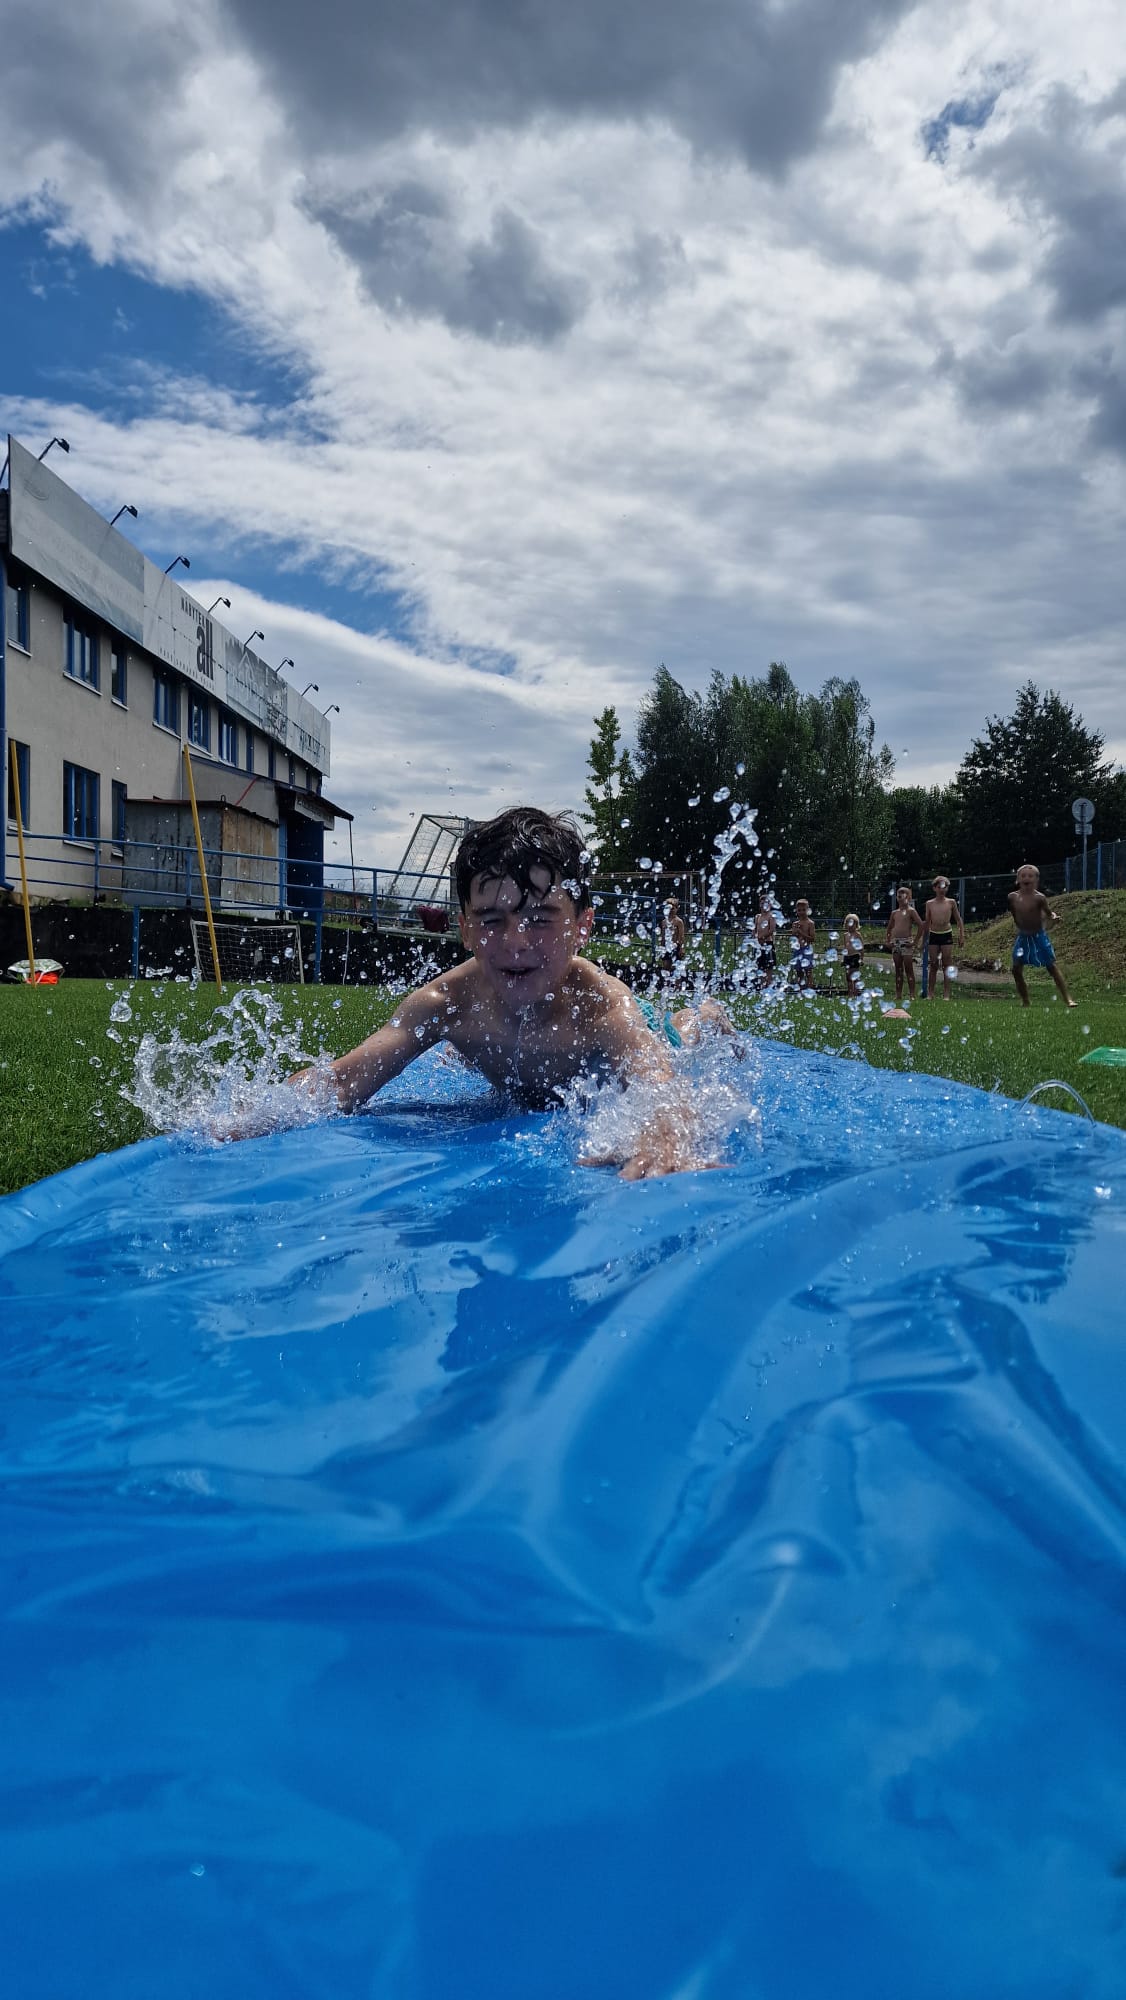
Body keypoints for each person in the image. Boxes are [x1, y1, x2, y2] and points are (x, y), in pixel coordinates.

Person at [282, 807, 738, 1179]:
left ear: (582, 927)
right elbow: (341, 1081)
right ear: (464, 929)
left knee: (679, 1041)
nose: (515, 943)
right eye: (490, 920)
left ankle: (699, 1016)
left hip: (649, 1028)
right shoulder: (445, 1004)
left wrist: (664, 1137)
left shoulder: (604, 1009)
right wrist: (265, 1110)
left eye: (540, 919)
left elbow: (663, 1089)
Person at [1008, 863, 1075, 1008]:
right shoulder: (1012, 897)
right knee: (1016, 969)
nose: (1026, 878)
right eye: (1023, 875)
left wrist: (1054, 918)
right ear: (1017, 879)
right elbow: (1015, 915)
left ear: (1036, 880)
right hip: (1023, 937)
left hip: (1039, 937)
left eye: (1030, 876)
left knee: (1051, 966)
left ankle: (1068, 998)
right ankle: (1025, 1001)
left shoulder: (1040, 898)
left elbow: (1048, 913)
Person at [923, 876, 964, 1000]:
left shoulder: (951, 902)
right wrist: (924, 939)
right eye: (939, 887)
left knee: (947, 964)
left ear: (947, 888)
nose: (942, 889)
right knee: (933, 964)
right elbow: (927, 921)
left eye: (944, 887)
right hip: (934, 934)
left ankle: (946, 994)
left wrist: (961, 935)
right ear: (935, 888)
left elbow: (958, 920)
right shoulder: (929, 903)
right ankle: (930, 993)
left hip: (946, 934)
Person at [885, 885, 924, 1004]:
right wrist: (888, 941)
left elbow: (921, 925)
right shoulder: (894, 913)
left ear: (908, 897)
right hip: (896, 942)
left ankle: (912, 994)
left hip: (906, 942)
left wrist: (915, 942)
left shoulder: (911, 911)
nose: (900, 895)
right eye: (898, 893)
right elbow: (889, 928)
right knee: (898, 969)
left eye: (903, 893)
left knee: (908, 968)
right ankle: (898, 994)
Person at [751, 894, 777, 988]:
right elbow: (754, 929)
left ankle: (769, 985)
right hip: (759, 944)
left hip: (768, 944)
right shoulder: (757, 917)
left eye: (766, 903)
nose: (763, 905)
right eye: (762, 903)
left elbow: (771, 930)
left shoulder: (770, 916)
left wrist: (762, 937)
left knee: (769, 967)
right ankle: (762, 986)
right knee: (760, 966)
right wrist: (754, 937)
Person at [790, 899, 816, 991]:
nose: (801, 912)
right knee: (798, 971)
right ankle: (800, 990)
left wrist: (801, 932)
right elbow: (793, 937)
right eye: (799, 910)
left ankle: (810, 989)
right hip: (797, 949)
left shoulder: (810, 923)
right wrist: (794, 933)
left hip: (807, 949)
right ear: (796, 911)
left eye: (804, 910)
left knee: (808, 971)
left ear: (808, 910)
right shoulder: (795, 924)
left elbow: (812, 938)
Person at [841, 914, 864, 998]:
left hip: (855, 956)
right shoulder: (845, 935)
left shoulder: (857, 935)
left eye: (853, 923)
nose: (850, 925)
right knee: (848, 977)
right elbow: (845, 947)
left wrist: (861, 958)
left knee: (855, 975)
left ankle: (856, 993)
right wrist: (843, 959)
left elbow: (861, 947)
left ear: (856, 925)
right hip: (847, 957)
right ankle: (850, 994)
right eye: (848, 923)